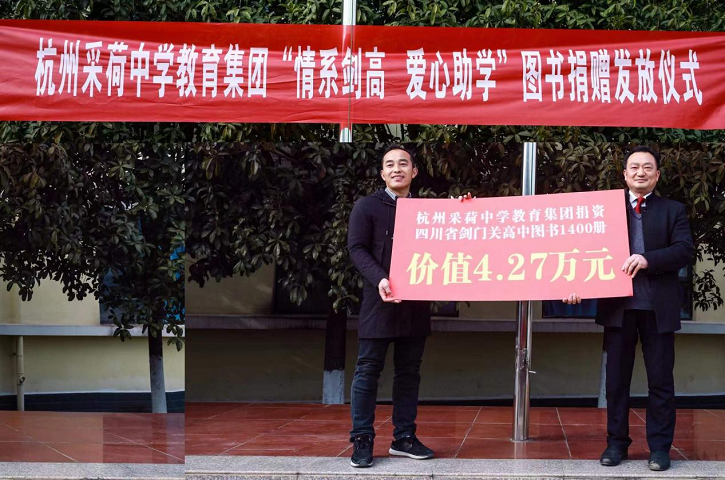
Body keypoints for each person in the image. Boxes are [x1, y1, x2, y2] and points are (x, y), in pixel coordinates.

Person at [564, 146, 693, 471]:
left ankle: (660, 449)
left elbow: (684, 250)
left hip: (658, 310)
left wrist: (648, 259)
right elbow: (582, 250)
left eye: (647, 167)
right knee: (616, 382)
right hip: (618, 308)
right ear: (624, 174)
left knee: (660, 382)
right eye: (634, 167)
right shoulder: (603, 211)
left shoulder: (673, 210)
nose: (640, 172)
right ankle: (616, 444)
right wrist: (574, 283)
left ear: (657, 175)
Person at [346, 145, 434, 468]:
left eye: (403, 164)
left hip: (415, 306)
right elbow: (357, 249)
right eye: (390, 165)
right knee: (368, 370)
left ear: (414, 171)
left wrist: (463, 209)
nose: (397, 169)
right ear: (382, 173)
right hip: (378, 302)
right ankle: (362, 439)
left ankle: (404, 437)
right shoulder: (366, 206)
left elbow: (450, 239)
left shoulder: (427, 211)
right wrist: (380, 278)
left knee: (409, 373)